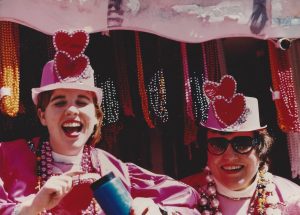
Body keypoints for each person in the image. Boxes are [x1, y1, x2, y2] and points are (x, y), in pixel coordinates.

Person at [0, 30, 200, 215]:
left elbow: (188, 198)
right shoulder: (8, 157)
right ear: (42, 115)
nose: (72, 110)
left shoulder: (112, 168)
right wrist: (31, 208)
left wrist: (156, 210)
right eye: (60, 103)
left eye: (82, 102)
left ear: (96, 116)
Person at [182, 75, 300, 215]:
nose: (230, 156)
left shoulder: (292, 201)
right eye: (218, 144)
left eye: (242, 144)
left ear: (260, 148)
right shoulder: (181, 198)